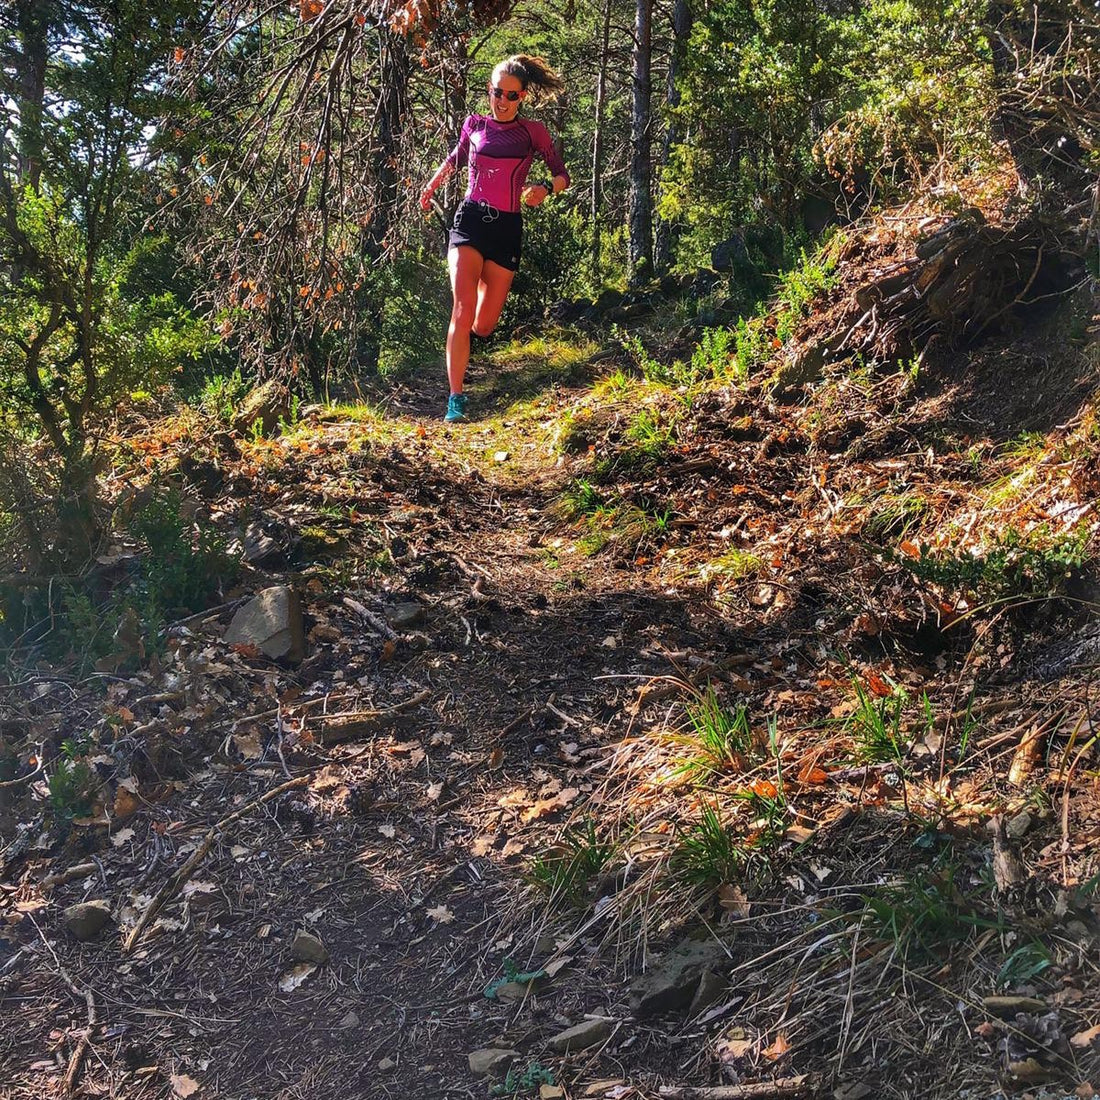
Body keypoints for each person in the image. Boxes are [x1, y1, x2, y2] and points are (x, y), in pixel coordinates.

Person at [420, 55, 570, 422]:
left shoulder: (534, 133)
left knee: (483, 324)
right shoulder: (473, 124)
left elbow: (562, 175)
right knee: (461, 306)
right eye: (496, 92)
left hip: (507, 229)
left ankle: (470, 339)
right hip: (470, 222)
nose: (501, 101)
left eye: (511, 95)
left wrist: (545, 188)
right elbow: (455, 158)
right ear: (489, 90)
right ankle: (456, 399)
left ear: (523, 97)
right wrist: (429, 187)